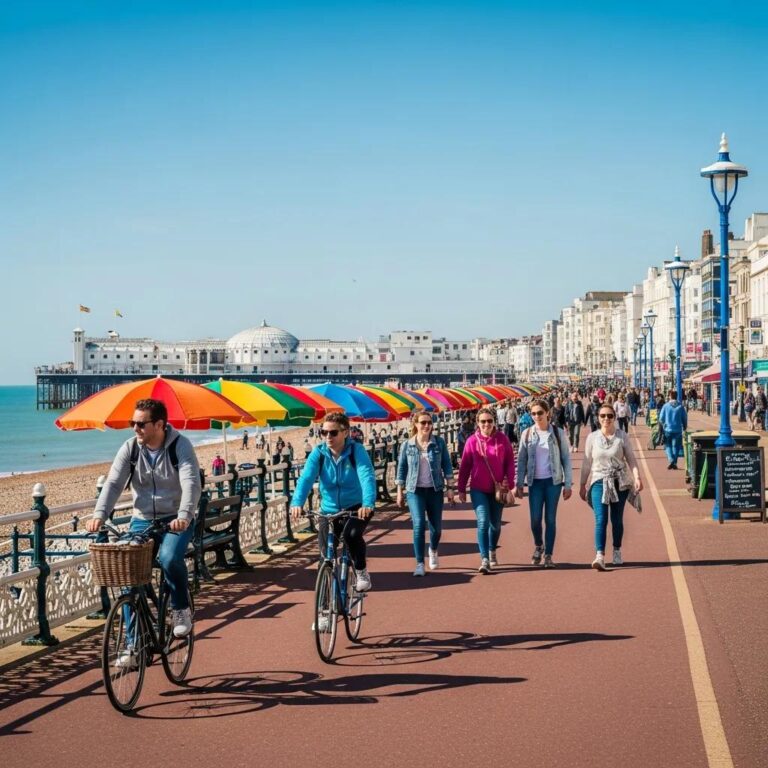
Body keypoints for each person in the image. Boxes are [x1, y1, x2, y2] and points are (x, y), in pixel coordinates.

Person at [86, 398, 201, 641]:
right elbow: (114, 483)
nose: (135, 428)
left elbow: (191, 483)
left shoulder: (180, 446)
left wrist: (184, 515)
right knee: (128, 577)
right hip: (142, 520)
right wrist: (99, 514)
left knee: (169, 558)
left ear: (159, 424)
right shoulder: (130, 448)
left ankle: (180, 609)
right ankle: (132, 644)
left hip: (175, 519)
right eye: (132, 423)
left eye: (140, 424)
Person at [290, 412, 376, 599]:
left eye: (333, 432)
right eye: (324, 432)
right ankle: (324, 610)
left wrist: (368, 503)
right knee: (325, 559)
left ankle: (361, 571)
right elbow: (305, 478)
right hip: (328, 510)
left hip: (357, 507)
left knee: (351, 535)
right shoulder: (318, 453)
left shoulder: (356, 451)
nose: (328, 437)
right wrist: (297, 502)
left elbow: (366, 476)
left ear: (345, 433)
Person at [579, 402, 643, 570]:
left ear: (614, 418)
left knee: (616, 520)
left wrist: (637, 477)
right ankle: (599, 555)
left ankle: (616, 549)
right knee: (601, 519)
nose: (606, 419)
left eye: (609, 416)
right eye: (603, 416)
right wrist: (582, 484)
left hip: (619, 481)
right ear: (598, 418)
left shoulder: (622, 436)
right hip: (599, 481)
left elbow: (631, 459)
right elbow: (587, 463)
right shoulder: (592, 438)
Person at [457, 407, 516, 574]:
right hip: (478, 489)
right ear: (477, 423)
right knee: (483, 522)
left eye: (489, 421)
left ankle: (492, 549)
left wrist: (510, 483)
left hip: (498, 489)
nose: (486, 424)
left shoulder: (502, 439)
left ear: (494, 422)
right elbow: (465, 466)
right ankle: (484, 558)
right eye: (483, 421)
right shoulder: (471, 441)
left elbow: (510, 462)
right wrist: (461, 489)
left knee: (495, 525)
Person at [515, 399, 572, 568]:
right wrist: (518, 483)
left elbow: (566, 460)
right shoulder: (526, 434)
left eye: (540, 412)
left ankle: (548, 555)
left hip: (553, 482)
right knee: (535, 519)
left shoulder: (557, 433)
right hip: (534, 482)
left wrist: (567, 484)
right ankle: (539, 545)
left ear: (547, 413)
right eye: (533, 413)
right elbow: (522, 459)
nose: (536, 416)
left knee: (550, 519)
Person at [396, 412, 454, 576]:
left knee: (436, 529)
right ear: (416, 424)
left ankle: (433, 550)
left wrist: (450, 488)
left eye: (429, 422)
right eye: (423, 423)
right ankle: (420, 563)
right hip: (415, 491)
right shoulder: (407, 445)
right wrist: (400, 492)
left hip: (435, 490)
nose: (427, 426)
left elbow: (447, 466)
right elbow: (401, 469)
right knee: (419, 525)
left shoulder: (439, 443)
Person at [658, 390, 688, 470]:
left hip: (668, 429)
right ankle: (674, 462)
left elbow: (661, 418)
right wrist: (685, 426)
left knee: (668, 446)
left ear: (670, 396)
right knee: (676, 446)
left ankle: (671, 460)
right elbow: (684, 418)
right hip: (678, 429)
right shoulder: (680, 406)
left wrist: (664, 424)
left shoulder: (666, 406)